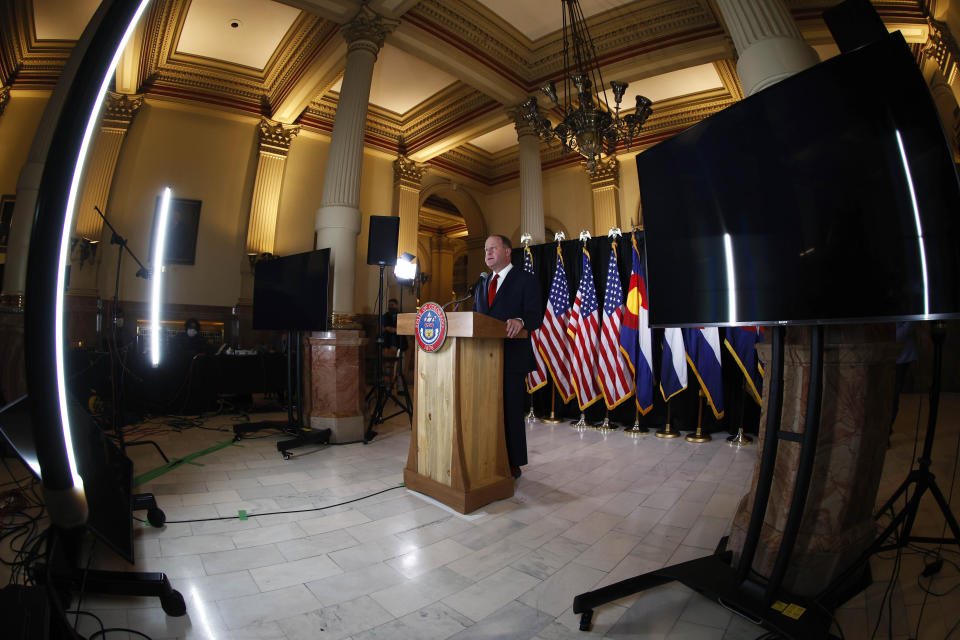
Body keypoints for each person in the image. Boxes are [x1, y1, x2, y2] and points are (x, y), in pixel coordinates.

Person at [473, 234, 542, 479]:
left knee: (510, 410)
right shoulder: (482, 283)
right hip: (483, 359)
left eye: (493, 248)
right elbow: (477, 320)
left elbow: (536, 315)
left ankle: (513, 462)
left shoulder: (525, 279)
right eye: (485, 250)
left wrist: (520, 321)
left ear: (507, 252)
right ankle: (488, 456)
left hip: (512, 358)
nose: (488, 253)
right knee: (486, 410)